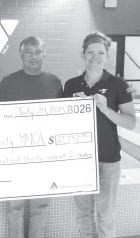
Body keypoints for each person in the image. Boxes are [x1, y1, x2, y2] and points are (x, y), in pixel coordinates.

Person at [63, 32, 136, 238]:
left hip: (108, 159)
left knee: (105, 216)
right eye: (90, 52)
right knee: (83, 215)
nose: (95, 57)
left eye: (101, 53)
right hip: (79, 160)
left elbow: (130, 122)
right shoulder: (71, 85)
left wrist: (105, 109)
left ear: (107, 55)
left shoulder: (118, 85)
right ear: (83, 54)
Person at [0, 36, 63, 238]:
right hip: (15, 157)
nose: (34, 56)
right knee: (15, 209)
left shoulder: (55, 82)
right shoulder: (8, 83)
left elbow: (62, 120)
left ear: (44, 53)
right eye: (28, 52)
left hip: (44, 157)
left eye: (38, 51)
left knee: (40, 207)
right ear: (20, 54)